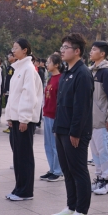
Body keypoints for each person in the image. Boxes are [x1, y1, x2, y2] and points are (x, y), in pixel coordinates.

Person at [49, 33, 94, 215]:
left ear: (77, 51)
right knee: (67, 169)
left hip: (74, 131)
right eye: (62, 47)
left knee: (78, 169)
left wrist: (75, 132)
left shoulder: (82, 74)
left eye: (66, 47)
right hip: (62, 128)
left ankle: (82, 211)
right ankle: (71, 206)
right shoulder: (67, 72)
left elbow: (81, 107)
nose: (62, 51)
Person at [3, 39, 44, 201]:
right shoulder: (18, 68)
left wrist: (24, 119)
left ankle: (26, 191)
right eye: (12, 47)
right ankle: (18, 188)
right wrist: (10, 116)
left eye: (16, 48)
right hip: (17, 118)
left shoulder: (28, 69)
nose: (13, 50)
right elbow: (13, 96)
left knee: (24, 156)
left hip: (24, 120)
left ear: (25, 50)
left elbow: (29, 95)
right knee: (18, 156)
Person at [90, 41, 108, 195]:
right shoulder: (92, 71)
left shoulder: (106, 72)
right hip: (92, 120)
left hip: (103, 120)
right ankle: (99, 177)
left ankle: (107, 181)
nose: (91, 52)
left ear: (102, 54)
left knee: (105, 152)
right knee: (95, 152)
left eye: (94, 49)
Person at [40, 53, 64, 183]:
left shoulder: (60, 79)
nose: (46, 64)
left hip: (55, 116)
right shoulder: (50, 78)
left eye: (49, 62)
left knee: (55, 145)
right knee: (48, 144)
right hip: (47, 114)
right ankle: (52, 168)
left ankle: (58, 171)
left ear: (57, 64)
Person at [2, 51, 16, 134]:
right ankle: (9, 125)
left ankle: (12, 126)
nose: (8, 57)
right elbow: (7, 80)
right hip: (8, 90)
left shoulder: (15, 67)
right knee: (8, 106)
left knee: (11, 107)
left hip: (12, 90)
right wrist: (5, 90)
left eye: (10, 55)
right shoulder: (9, 67)